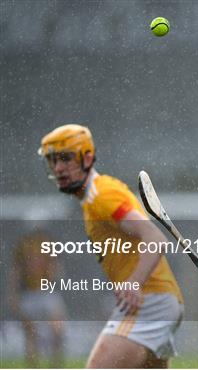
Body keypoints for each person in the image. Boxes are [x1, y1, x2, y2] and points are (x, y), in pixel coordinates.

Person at [38, 124, 184, 368]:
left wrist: (134, 283)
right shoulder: (94, 198)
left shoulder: (101, 196)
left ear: (86, 157)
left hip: (148, 303)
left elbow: (155, 238)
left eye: (65, 158)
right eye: (53, 160)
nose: (58, 168)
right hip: (161, 301)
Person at [8, 226, 66, 368]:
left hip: (46, 292)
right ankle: (34, 367)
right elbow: (16, 271)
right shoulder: (23, 245)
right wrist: (13, 294)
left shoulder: (48, 242)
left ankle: (55, 365)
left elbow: (56, 268)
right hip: (28, 295)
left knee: (58, 330)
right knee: (31, 335)